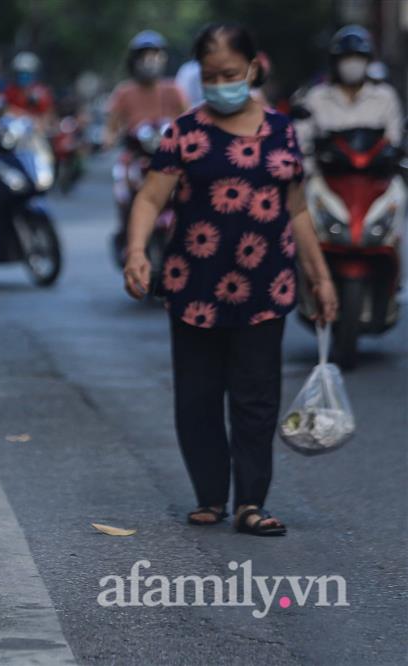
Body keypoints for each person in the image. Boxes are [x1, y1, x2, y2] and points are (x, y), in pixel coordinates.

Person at [123, 23, 338, 536]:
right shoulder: (184, 132)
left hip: (266, 287)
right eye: (213, 75)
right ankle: (210, 496)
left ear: (252, 69)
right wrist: (136, 251)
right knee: (197, 397)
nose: (223, 83)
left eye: (232, 74)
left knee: (256, 398)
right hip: (192, 284)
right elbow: (151, 197)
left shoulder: (283, 131)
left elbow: (298, 211)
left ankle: (251, 502)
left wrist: (320, 278)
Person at [295, 25, 404, 157]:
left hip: (377, 174)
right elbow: (302, 142)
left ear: (368, 61)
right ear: (335, 62)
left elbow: (394, 141)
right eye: (346, 58)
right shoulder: (317, 97)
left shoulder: (385, 96)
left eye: (358, 57)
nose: (352, 64)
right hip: (328, 174)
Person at [104, 30, 189, 148]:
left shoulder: (173, 90)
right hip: (135, 156)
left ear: (163, 58)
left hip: (170, 154)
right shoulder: (124, 92)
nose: (149, 61)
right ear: (134, 61)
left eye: (154, 55)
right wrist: (112, 139)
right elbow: (110, 130)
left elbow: (189, 124)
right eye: (143, 56)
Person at [4, 51, 56, 126]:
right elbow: (7, 109)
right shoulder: (11, 90)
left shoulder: (42, 93)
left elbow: (47, 116)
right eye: (20, 73)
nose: (23, 76)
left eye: (26, 73)